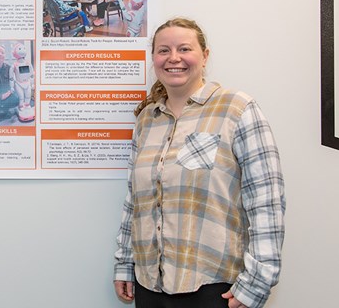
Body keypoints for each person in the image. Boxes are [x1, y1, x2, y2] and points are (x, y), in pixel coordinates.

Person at [114, 18, 285, 308]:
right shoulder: (147, 120)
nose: (174, 58)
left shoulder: (237, 108)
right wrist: (125, 262)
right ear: (154, 58)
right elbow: (135, 201)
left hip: (213, 287)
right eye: (164, 50)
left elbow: (266, 199)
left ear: (205, 56)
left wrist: (257, 282)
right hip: (149, 285)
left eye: (184, 49)